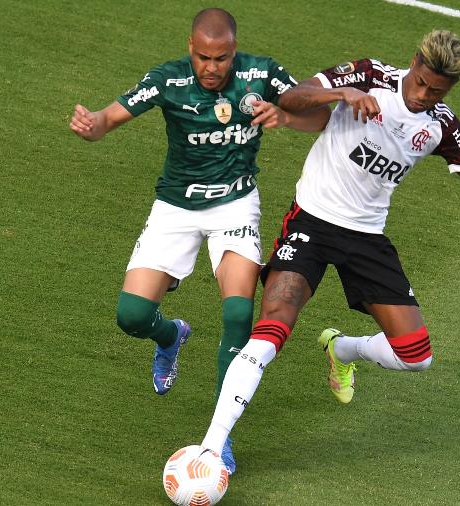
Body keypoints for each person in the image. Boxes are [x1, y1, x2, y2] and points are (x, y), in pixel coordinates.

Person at [199, 30, 460, 457]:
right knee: (272, 328)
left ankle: (342, 348)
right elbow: (292, 99)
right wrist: (342, 93)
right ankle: (212, 448)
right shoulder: (368, 75)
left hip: (366, 238)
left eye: (437, 91)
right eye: (421, 83)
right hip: (312, 222)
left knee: (417, 356)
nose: (423, 96)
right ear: (414, 62)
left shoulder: (441, 126)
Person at [68, 8, 327, 474]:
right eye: (204, 57)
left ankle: (218, 438)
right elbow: (110, 117)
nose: (212, 67)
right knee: (131, 316)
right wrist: (93, 127)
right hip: (175, 208)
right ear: (190, 48)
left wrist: (285, 117)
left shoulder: (261, 73)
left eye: (222, 58)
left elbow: (321, 118)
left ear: (234, 51)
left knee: (237, 310)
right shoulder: (167, 80)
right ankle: (171, 336)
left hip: (235, 205)